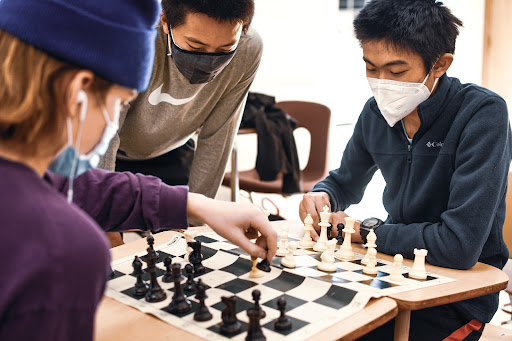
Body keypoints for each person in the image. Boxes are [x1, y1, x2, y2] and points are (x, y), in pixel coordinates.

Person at [0, 1, 275, 340]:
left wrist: (197, 204)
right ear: (78, 95)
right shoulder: (67, 251)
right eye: (120, 102)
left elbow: (70, 188)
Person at [299, 0, 510, 340]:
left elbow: (458, 246)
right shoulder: (374, 113)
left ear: (439, 64)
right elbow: (344, 183)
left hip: (459, 292)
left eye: (396, 72)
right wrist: (323, 194)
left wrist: (363, 231)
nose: (382, 83)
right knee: (313, 321)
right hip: (394, 268)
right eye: (370, 67)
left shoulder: (482, 114)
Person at [99, 0, 263, 199]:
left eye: (224, 50)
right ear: (166, 21)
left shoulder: (248, 49)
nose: (209, 62)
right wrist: (103, 209)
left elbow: (219, 136)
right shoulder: (133, 37)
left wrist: (199, 218)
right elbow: (106, 132)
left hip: (172, 154)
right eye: (196, 46)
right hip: (108, 154)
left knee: (177, 227)